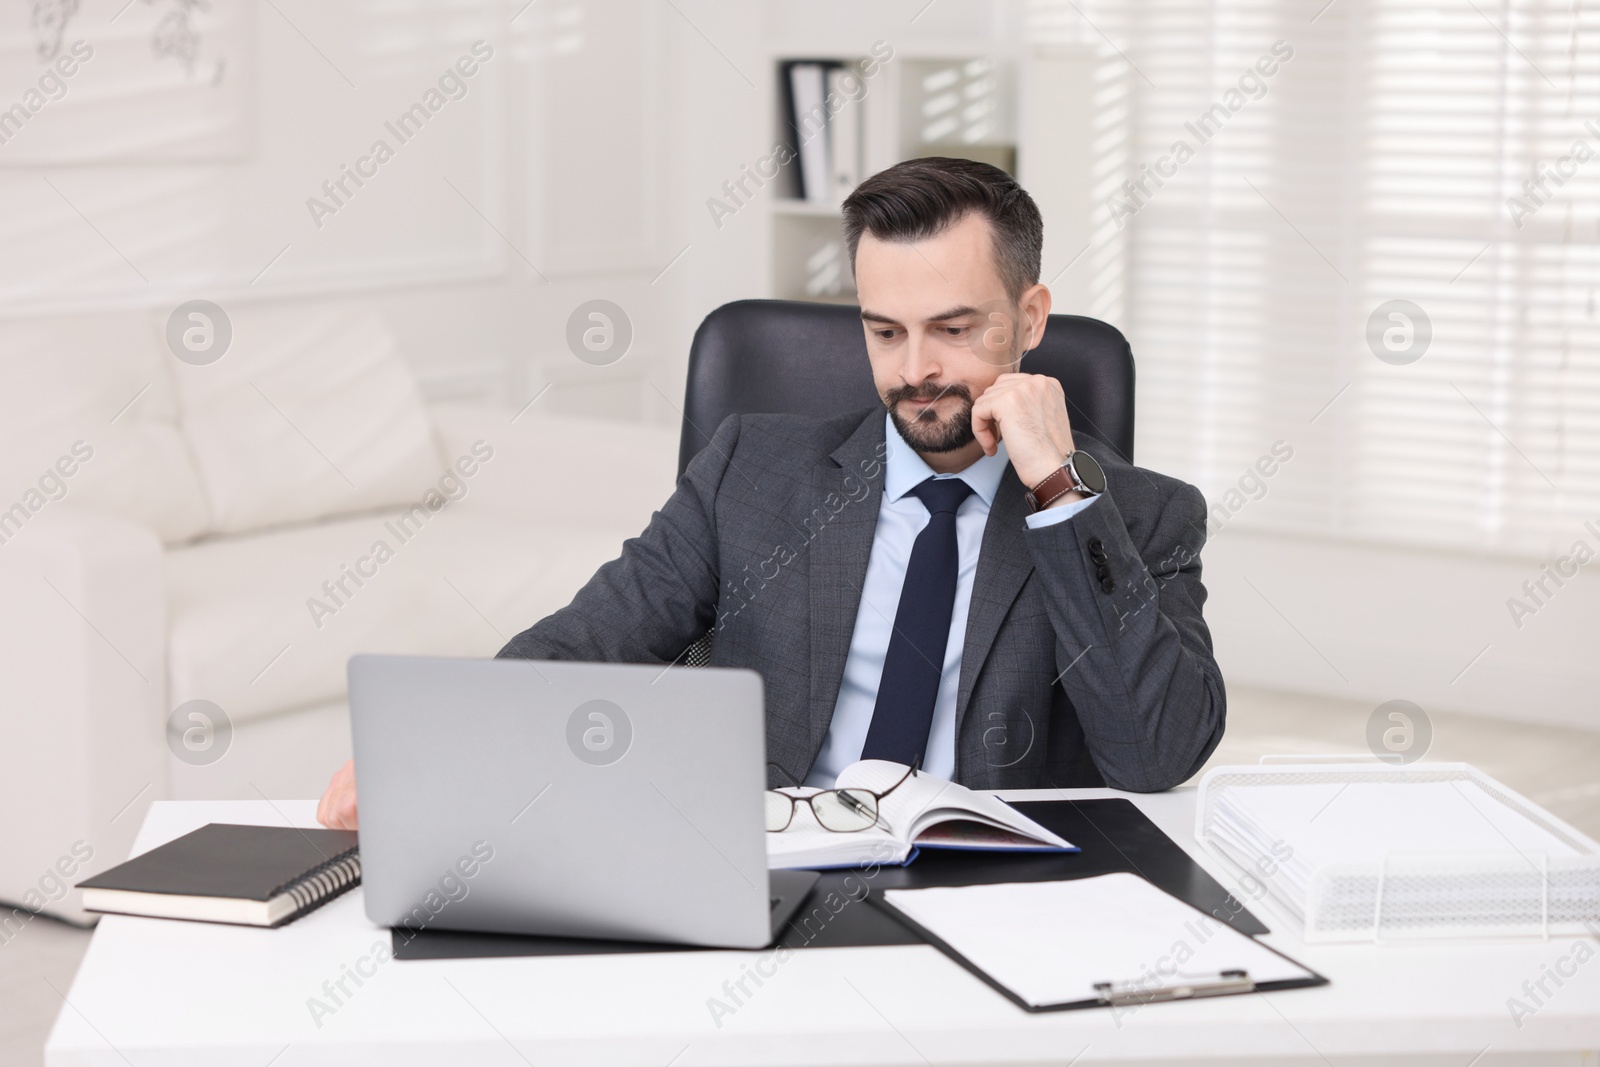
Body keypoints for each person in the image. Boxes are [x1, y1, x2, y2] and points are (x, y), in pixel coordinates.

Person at [317, 156, 1223, 830]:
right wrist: (442, 744)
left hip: (995, 896)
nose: (916, 372)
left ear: (1029, 319)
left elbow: (1156, 756)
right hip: (771, 871)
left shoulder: (1139, 516)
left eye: (953, 328)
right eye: (884, 331)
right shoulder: (751, 468)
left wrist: (1062, 493)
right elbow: (589, 641)